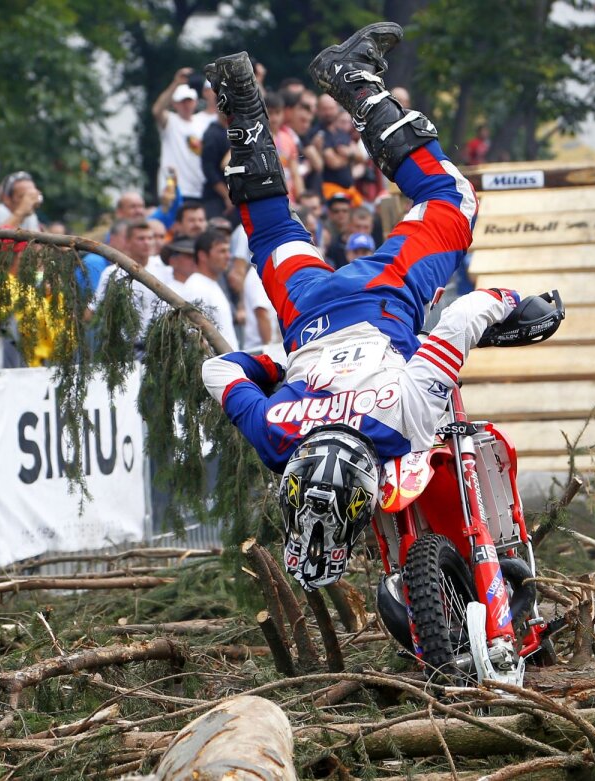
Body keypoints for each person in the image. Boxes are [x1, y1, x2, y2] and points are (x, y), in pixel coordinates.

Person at [199, 24, 559, 590]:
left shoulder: (403, 412)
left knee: (452, 201)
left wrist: (516, 299)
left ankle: (357, 82)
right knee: (270, 233)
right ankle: (240, 105)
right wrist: (285, 361)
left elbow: (464, 317)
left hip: (382, 295)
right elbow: (218, 369)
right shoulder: (274, 436)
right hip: (306, 313)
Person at [178, 229, 239, 350]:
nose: (228, 256)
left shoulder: (210, 284)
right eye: (222, 251)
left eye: (228, 251)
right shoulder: (196, 288)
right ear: (202, 256)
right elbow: (195, 337)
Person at [152, 69, 207, 202]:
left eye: (189, 101)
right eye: (182, 101)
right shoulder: (170, 121)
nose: (186, 105)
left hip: (198, 188)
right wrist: (176, 83)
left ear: (195, 102)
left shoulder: (203, 122)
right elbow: (157, 110)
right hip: (172, 188)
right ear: (174, 104)